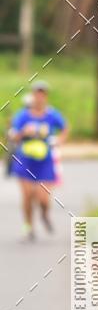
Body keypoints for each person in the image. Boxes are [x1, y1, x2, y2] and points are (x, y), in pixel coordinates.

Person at [9, 80, 68, 240]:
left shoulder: (52, 115)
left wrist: (59, 141)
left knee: (43, 198)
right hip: (25, 161)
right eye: (37, 93)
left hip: (45, 162)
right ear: (33, 96)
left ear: (46, 96)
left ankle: (44, 214)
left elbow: (64, 129)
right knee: (28, 195)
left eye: (43, 94)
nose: (39, 97)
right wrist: (23, 133)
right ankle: (28, 226)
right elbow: (12, 135)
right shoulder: (23, 115)